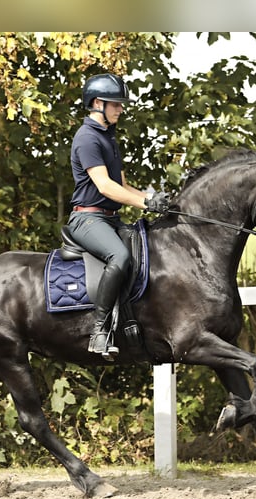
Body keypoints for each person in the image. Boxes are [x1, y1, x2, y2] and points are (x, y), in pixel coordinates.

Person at [67, 73, 170, 358]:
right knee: (120, 257)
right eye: (116, 104)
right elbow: (105, 186)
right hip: (87, 219)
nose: (121, 109)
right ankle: (99, 331)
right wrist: (145, 203)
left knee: (146, 251)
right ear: (98, 103)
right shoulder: (87, 138)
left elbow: (122, 186)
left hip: (109, 218)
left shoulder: (108, 137)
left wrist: (152, 199)